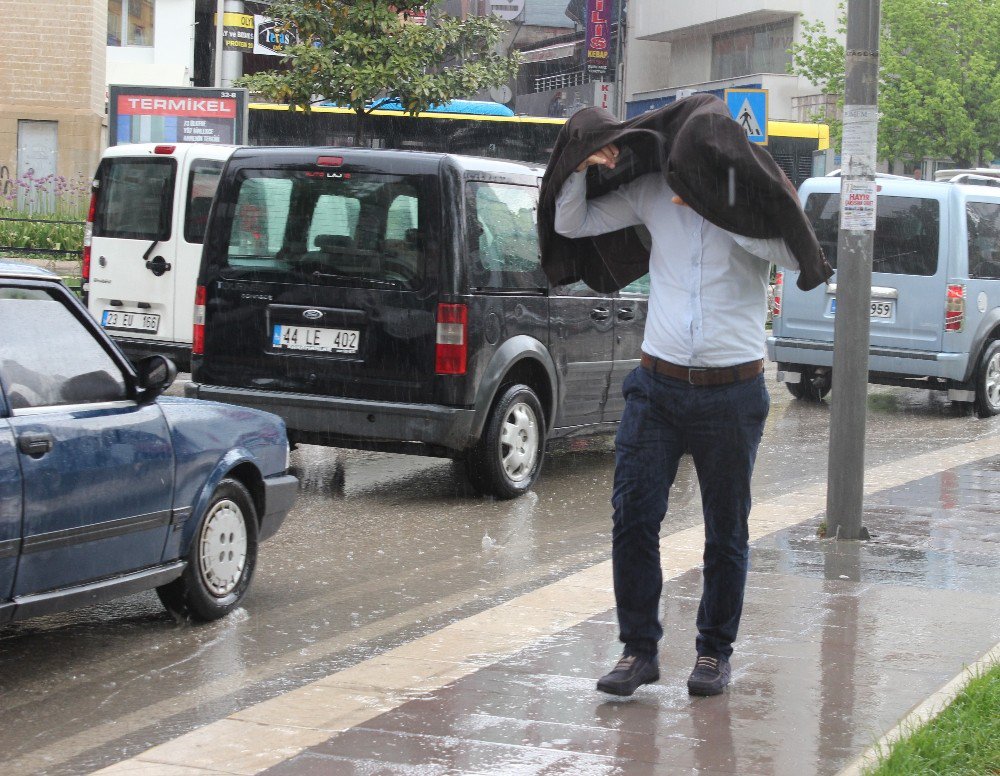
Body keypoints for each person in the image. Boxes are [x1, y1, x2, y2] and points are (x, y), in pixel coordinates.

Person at [554, 142, 803, 697]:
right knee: (634, 516)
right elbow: (573, 222)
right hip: (657, 387)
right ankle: (638, 650)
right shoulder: (650, 192)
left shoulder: (750, 197)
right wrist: (576, 169)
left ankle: (714, 652)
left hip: (733, 392)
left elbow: (791, 253)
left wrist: (716, 204)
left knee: (726, 529)